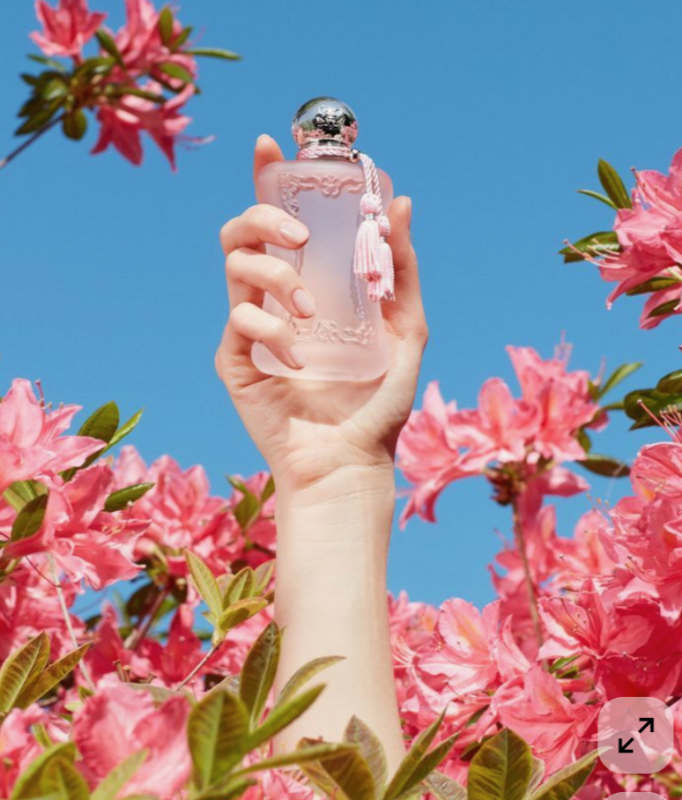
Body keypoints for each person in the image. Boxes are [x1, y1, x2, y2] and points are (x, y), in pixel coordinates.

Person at [215, 134, 428, 775]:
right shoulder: (352, 188)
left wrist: (342, 477)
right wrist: (325, 481)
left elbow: (326, 783)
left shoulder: (365, 189)